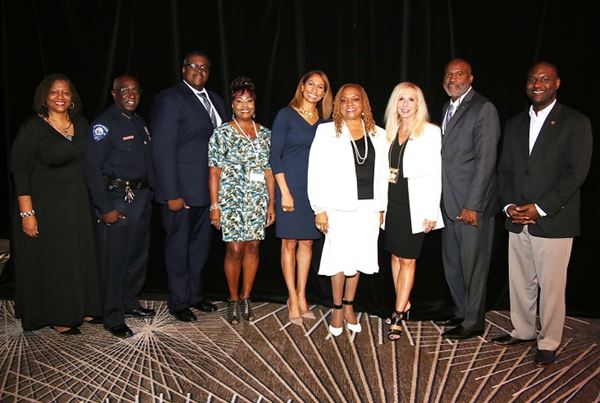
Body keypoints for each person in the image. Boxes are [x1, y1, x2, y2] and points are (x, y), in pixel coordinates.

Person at [493, 62, 593, 365]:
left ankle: (548, 341)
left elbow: (575, 174)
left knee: (551, 286)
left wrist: (539, 208)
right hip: (517, 218)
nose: (537, 84)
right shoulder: (514, 124)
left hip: (553, 220)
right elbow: (504, 170)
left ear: (557, 83)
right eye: (532, 79)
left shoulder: (576, 122)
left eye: (544, 79)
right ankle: (523, 329)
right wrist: (509, 206)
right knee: (520, 280)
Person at [10, 74, 102, 334]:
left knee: (79, 257)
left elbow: (91, 164)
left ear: (72, 98)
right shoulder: (33, 127)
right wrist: (27, 213)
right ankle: (59, 316)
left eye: (65, 92)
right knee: (56, 261)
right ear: (44, 97)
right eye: (54, 92)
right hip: (47, 208)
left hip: (78, 206)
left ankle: (83, 306)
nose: (60, 97)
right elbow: (19, 170)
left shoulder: (81, 124)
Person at [150, 51, 227, 322]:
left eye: (205, 67)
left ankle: (194, 295)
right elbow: (162, 149)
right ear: (183, 69)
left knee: (199, 250)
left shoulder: (215, 100)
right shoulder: (170, 99)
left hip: (207, 192)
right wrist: (171, 193)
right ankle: (178, 301)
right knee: (178, 249)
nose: (199, 71)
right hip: (180, 193)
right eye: (194, 66)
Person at [307, 83, 388, 336]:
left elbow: (384, 175)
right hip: (337, 207)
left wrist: (381, 207)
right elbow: (315, 172)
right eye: (344, 100)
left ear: (364, 104)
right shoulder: (326, 132)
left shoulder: (379, 134)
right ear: (337, 105)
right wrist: (319, 208)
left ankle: (350, 305)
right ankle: (337, 308)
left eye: (355, 99)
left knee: (359, 258)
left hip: (369, 207)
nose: (350, 104)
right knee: (339, 260)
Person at [86, 74, 155, 338]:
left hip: (141, 198)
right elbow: (92, 170)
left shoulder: (139, 122)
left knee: (137, 256)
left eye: (135, 90)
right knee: (115, 260)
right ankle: (113, 316)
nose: (131, 94)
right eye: (125, 90)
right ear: (114, 94)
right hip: (117, 200)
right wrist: (105, 208)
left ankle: (129, 302)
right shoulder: (104, 125)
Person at [440, 58, 500, 339]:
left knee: (473, 266)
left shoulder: (483, 108)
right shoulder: (447, 108)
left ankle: (473, 322)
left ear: (470, 78)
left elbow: (486, 160)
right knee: (454, 264)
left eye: (459, 74)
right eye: (449, 74)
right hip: (449, 202)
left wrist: (472, 205)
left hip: (470, 206)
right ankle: (462, 311)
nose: (453, 79)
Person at [208, 77, 276, 324]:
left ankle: (246, 296)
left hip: (257, 198)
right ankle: (233, 297)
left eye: (249, 101)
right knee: (235, 249)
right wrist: (215, 206)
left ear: (255, 105)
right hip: (231, 198)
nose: (244, 105)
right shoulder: (222, 133)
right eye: (239, 101)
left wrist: (271, 203)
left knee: (254, 246)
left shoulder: (266, 134)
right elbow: (214, 172)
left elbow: (269, 171)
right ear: (232, 105)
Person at [269, 70, 333, 325]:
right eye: (311, 85)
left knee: (307, 243)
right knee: (289, 243)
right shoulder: (286, 114)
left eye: (321, 87)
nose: (315, 90)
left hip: (314, 190)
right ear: (302, 87)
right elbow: (274, 156)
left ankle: (303, 295)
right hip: (289, 186)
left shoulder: (325, 122)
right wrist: (284, 192)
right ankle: (292, 299)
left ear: (325, 92)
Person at [383, 82, 444, 340]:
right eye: (401, 99)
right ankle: (403, 301)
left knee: (408, 259)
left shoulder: (430, 132)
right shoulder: (387, 132)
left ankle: (398, 313)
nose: (405, 104)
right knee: (395, 256)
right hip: (392, 202)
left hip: (415, 204)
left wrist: (431, 212)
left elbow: (435, 174)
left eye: (411, 99)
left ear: (419, 104)